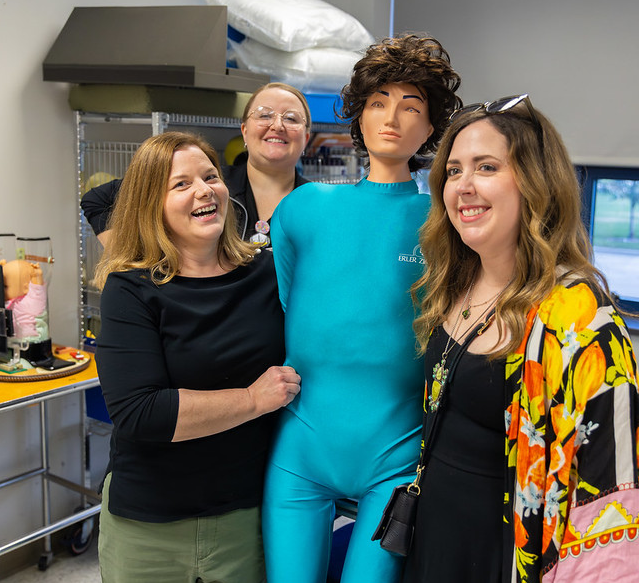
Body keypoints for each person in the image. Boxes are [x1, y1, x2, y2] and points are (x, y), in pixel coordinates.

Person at [402, 95, 639, 582]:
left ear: (536, 184)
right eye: (453, 171)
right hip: (432, 542)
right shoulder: (453, 283)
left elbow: (610, 495)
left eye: (486, 167)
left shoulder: (582, 320)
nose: (463, 186)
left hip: (511, 557)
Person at [262, 34, 462, 583]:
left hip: (396, 452)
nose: (392, 118)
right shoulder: (301, 210)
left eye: (411, 107)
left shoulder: (444, 225)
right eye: (378, 102)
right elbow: (283, 308)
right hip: (301, 447)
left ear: (430, 129)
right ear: (359, 115)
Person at [93, 131, 301, 583]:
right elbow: (140, 412)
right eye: (181, 184)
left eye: (210, 177)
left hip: (245, 518)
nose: (205, 190)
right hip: (148, 527)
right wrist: (252, 399)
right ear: (152, 204)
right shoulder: (132, 288)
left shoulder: (266, 274)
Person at [80, 82, 312, 249]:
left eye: (291, 118)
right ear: (244, 130)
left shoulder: (318, 204)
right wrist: (131, 259)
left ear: (306, 138)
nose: (277, 125)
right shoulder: (210, 187)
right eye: (264, 115)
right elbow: (98, 200)